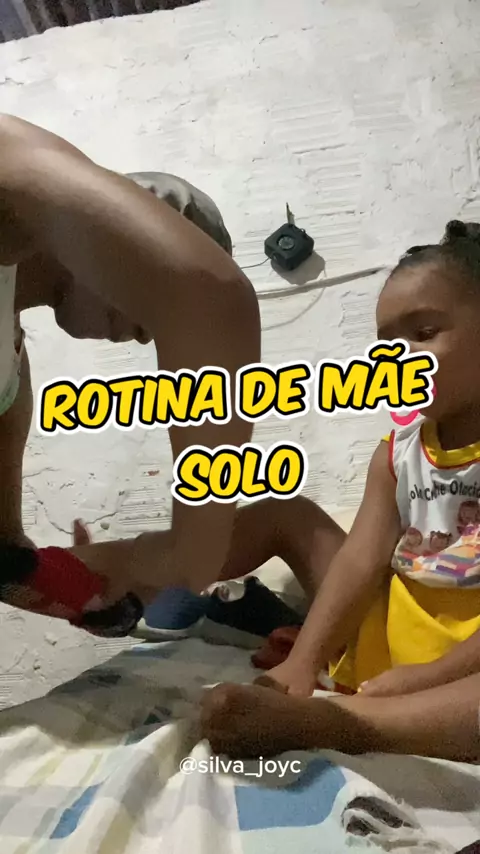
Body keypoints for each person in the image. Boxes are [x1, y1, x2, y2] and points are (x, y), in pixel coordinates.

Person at [200, 220, 480, 762]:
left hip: (460, 673)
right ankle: (153, 578)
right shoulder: (397, 453)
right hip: (388, 646)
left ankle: (345, 725)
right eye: (386, 346)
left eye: (424, 334)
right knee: (286, 511)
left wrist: (430, 677)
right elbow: (359, 560)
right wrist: (303, 661)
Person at [0, 113, 260, 636]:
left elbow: (4, 559)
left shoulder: (10, 375)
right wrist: (192, 549)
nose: (147, 337)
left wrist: (95, 594)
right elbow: (206, 290)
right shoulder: (11, 191)